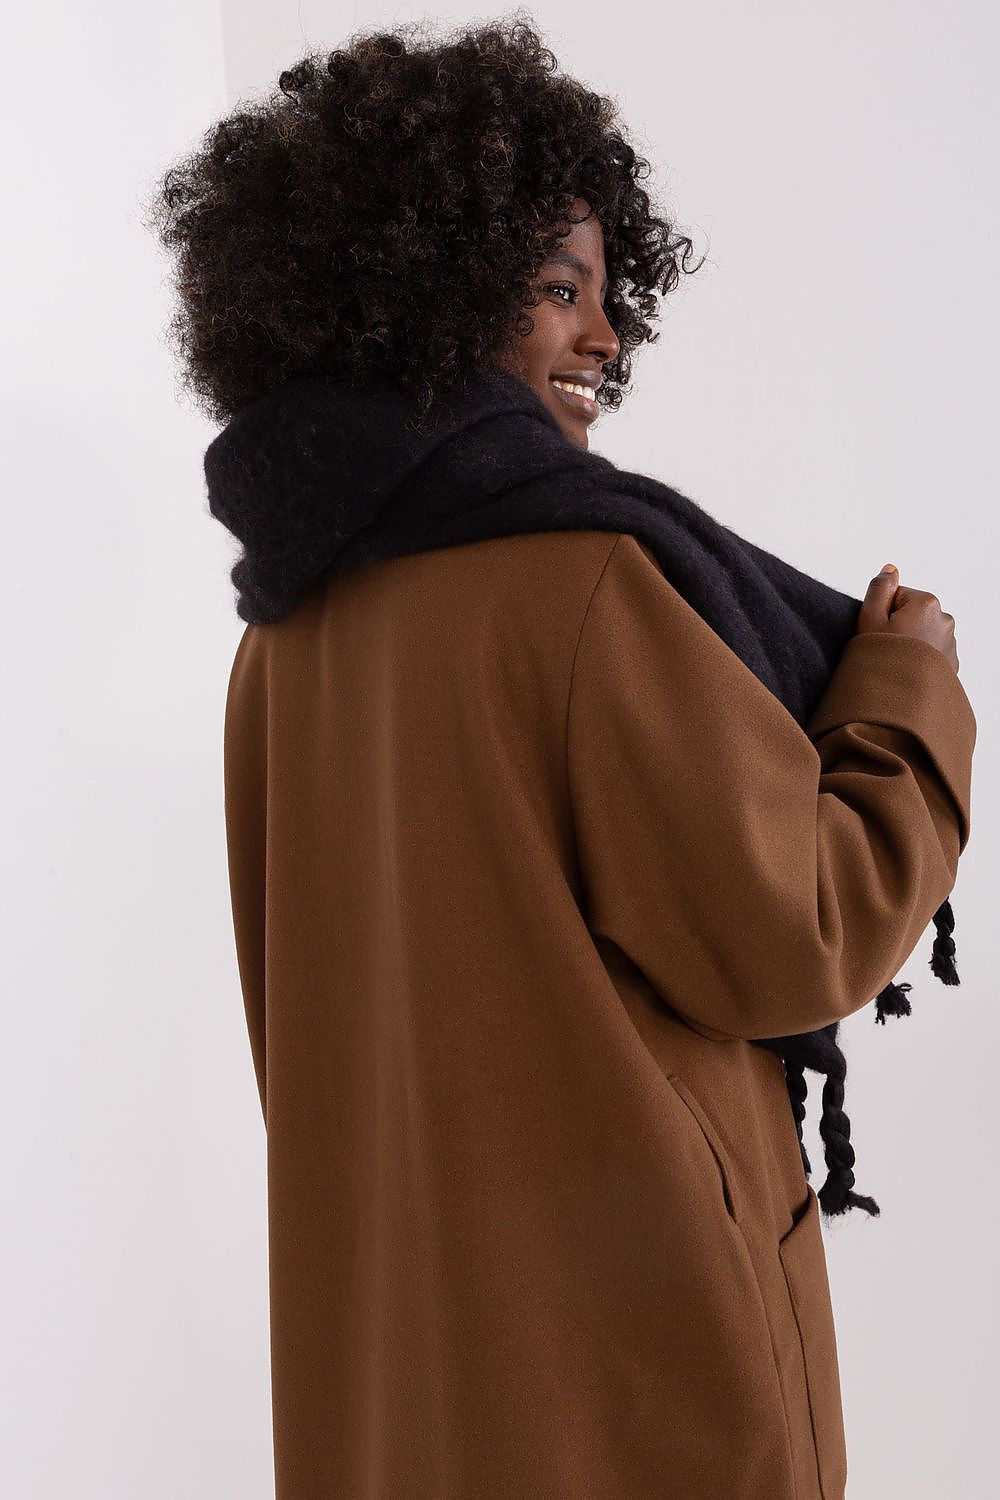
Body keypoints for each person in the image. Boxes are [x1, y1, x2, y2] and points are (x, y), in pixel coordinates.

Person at [149, 17, 975, 1499]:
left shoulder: (280, 648)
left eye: (603, 293)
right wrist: (907, 694)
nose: (606, 338)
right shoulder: (581, 585)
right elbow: (800, 928)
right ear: (431, 294)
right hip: (634, 1394)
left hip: (409, 1394)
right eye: (556, 289)